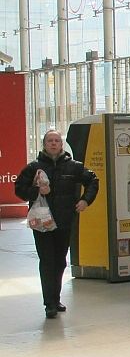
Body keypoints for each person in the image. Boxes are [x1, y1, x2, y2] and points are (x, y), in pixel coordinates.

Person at [15, 129, 99, 319]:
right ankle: (49, 304)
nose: (53, 144)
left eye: (56, 141)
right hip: (41, 223)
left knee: (60, 261)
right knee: (47, 261)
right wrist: (36, 191)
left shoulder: (74, 166)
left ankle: (56, 298)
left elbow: (93, 180)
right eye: (50, 141)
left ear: (62, 145)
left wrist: (86, 200)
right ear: (44, 145)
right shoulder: (33, 167)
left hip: (64, 221)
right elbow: (19, 189)